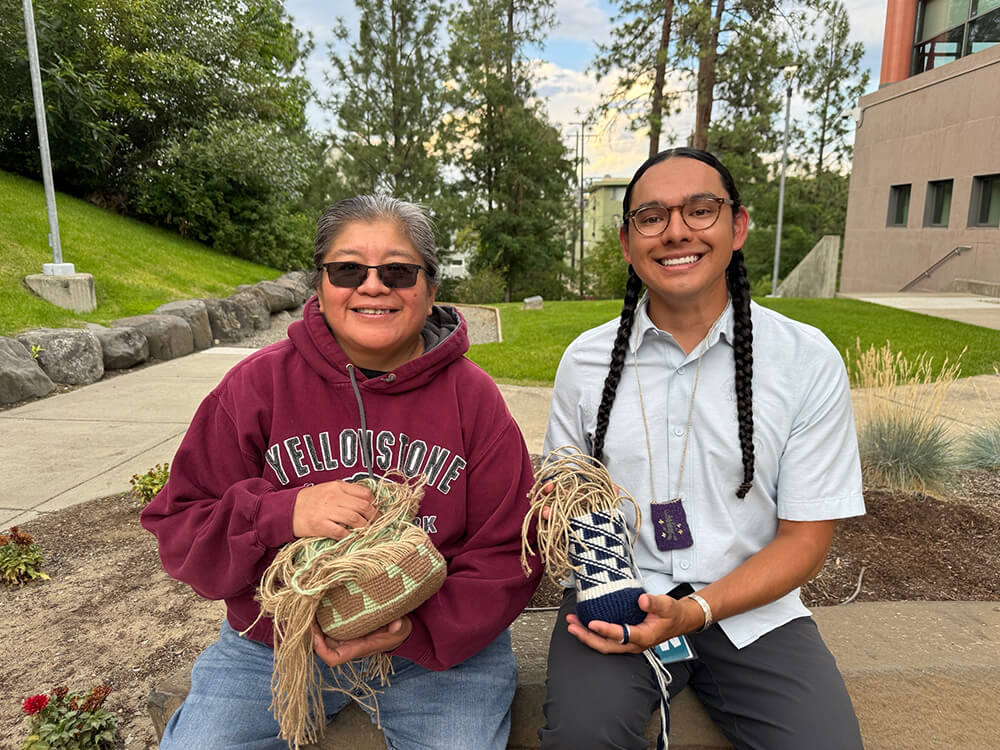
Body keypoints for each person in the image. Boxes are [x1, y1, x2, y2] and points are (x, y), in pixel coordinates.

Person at [141, 195, 541, 749]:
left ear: (429, 290)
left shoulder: (473, 399)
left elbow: (509, 548)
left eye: (399, 271)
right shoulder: (257, 385)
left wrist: (413, 627)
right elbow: (182, 521)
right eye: (348, 269)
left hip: (434, 651)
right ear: (321, 284)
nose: (373, 286)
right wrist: (284, 512)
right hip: (279, 644)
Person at [538, 148, 865, 749]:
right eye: (652, 217)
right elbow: (570, 501)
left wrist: (696, 611)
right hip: (617, 597)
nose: (676, 231)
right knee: (582, 736)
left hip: (753, 608)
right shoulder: (586, 362)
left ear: (737, 227)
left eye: (700, 209)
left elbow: (806, 538)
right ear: (627, 241)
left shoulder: (805, 359)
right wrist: (607, 584)